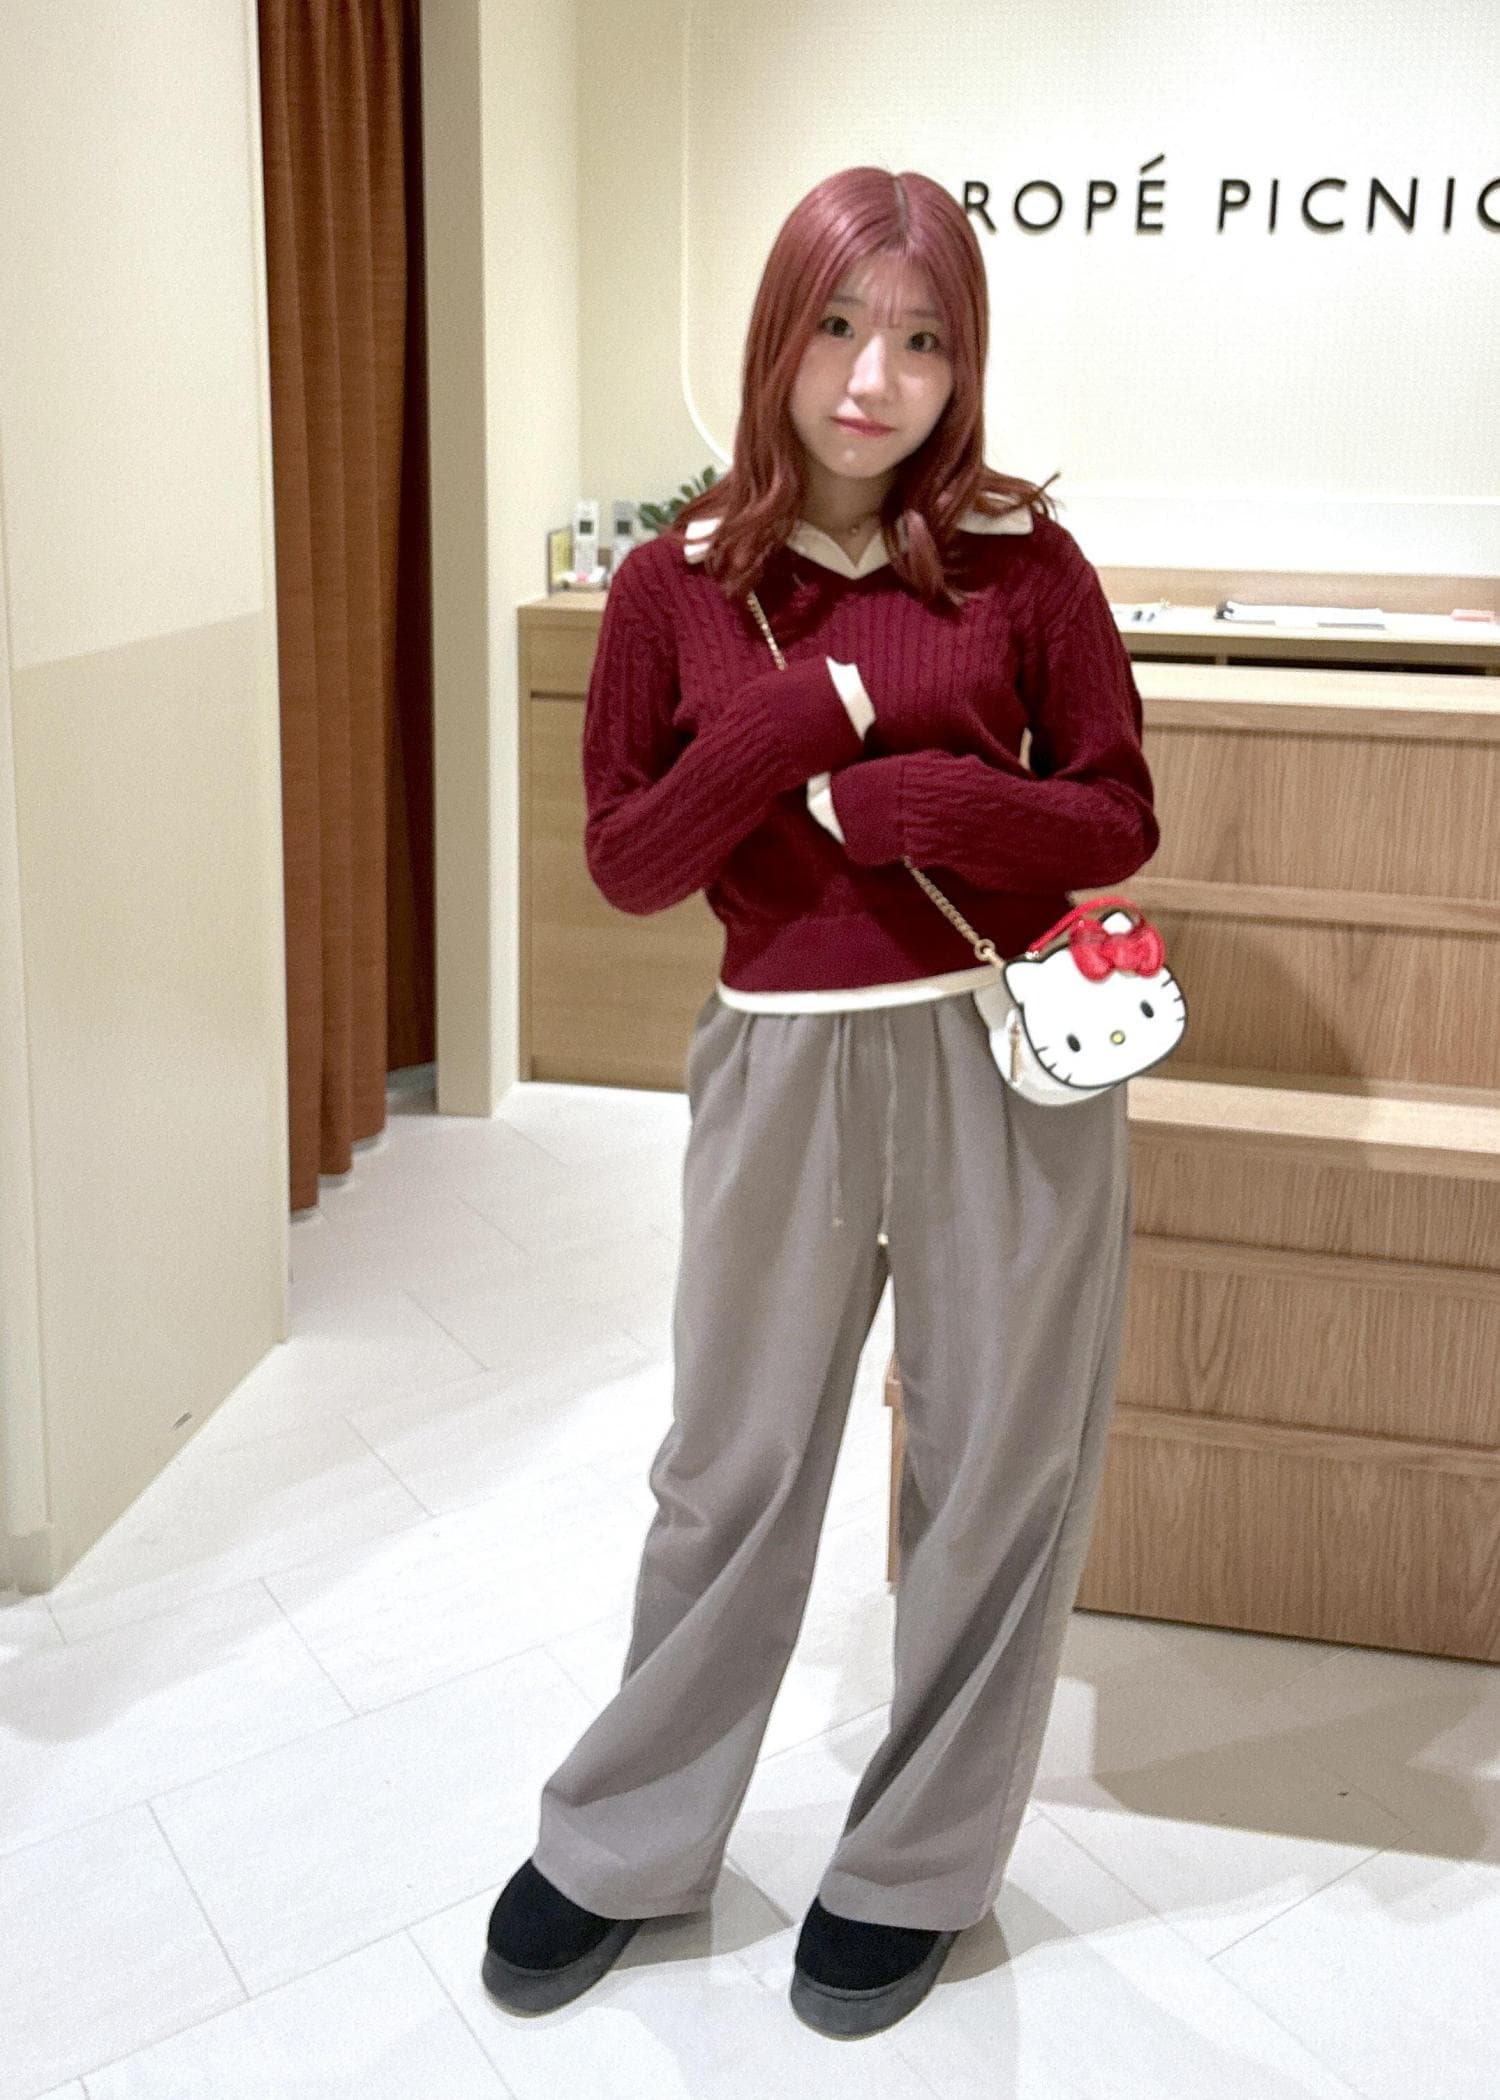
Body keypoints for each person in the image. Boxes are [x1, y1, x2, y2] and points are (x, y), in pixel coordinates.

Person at [482, 164, 1158, 2040]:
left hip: (999, 1053)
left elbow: (1114, 811)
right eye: (843, 327)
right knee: (732, 1461)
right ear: (780, 334)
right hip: (779, 1055)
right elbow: (631, 859)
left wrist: (928, 797)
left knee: (994, 1464)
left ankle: (917, 1866)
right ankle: (630, 1835)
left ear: (965, 364)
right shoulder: (675, 584)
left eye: (924, 341)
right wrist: (804, 719)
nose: (877, 380)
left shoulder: (1026, 562)